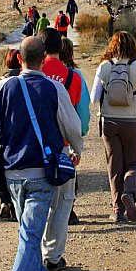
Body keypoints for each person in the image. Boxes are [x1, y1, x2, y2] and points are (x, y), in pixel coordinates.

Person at [0, 36, 82, 271]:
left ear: (21, 58)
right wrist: (76, 150)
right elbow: (72, 126)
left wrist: (9, 139)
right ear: (42, 58)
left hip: (13, 173)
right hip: (42, 172)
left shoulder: (3, 87)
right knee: (29, 235)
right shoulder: (54, 87)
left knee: (28, 231)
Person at [90, 31, 136, 223]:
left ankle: (117, 209)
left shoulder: (104, 66)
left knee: (114, 165)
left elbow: (94, 98)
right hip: (133, 121)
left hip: (109, 123)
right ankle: (129, 191)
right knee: (134, 163)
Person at [38, 27, 83, 270]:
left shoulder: (33, 73)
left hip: (33, 148)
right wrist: (77, 149)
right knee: (62, 202)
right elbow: (73, 114)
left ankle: (33, 254)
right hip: (60, 148)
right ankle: (52, 254)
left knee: (35, 203)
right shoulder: (72, 77)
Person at [59, 37, 91, 225]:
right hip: (69, 133)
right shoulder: (75, 76)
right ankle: (69, 209)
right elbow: (83, 108)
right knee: (70, 172)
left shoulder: (45, 72)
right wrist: (81, 132)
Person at [0, 49, 21, 220]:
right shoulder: (24, 82)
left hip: (2, 134)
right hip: (21, 134)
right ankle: (16, 204)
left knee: (0, 167)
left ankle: (5, 201)